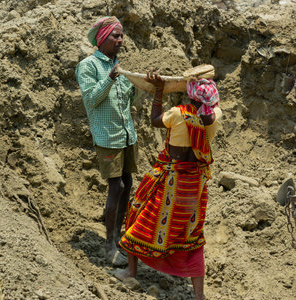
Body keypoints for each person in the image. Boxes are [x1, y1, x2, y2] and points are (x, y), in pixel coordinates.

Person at [116, 68, 222, 300]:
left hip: (172, 182)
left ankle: (131, 272)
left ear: (191, 94)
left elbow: (155, 121)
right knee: (192, 235)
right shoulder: (217, 115)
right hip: (195, 185)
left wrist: (159, 91)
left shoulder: (178, 113)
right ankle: (199, 295)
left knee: (137, 213)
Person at [75, 16, 141, 266]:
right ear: (102, 39)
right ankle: (109, 246)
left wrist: (142, 85)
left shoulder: (118, 65)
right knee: (117, 187)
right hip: (107, 137)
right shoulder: (89, 66)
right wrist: (111, 77)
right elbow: (91, 99)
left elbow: (128, 101)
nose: (120, 40)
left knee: (127, 183)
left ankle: (119, 237)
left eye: (122, 35)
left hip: (125, 135)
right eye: (116, 36)